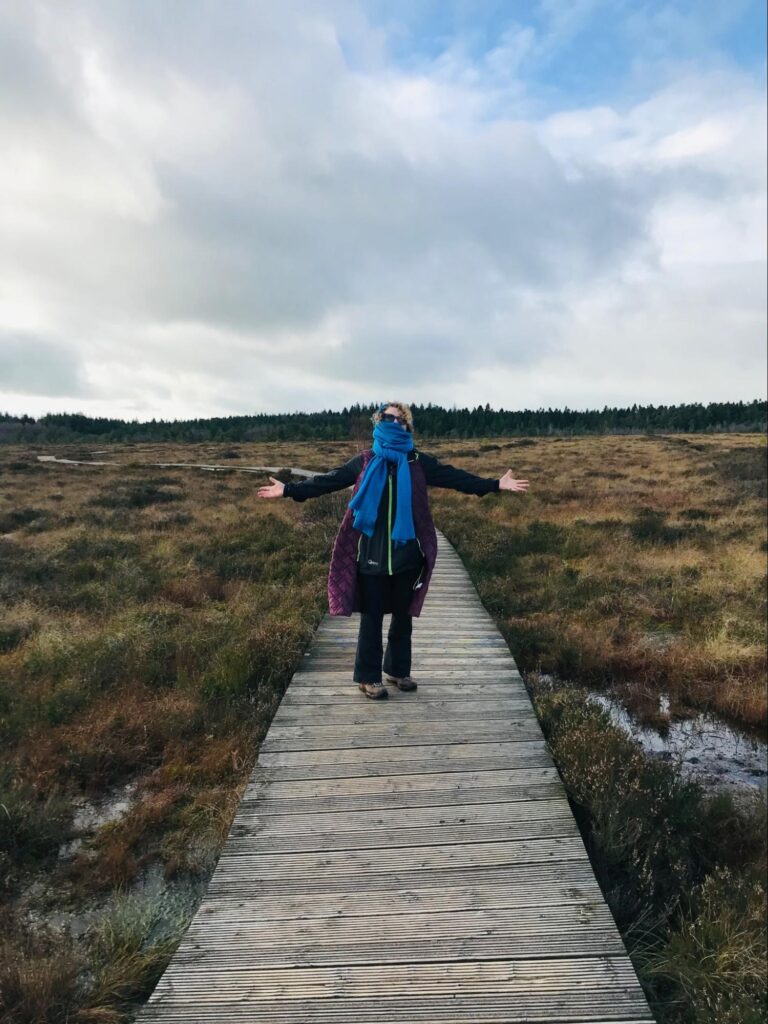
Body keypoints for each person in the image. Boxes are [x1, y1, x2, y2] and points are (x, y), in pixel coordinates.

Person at [257, 402, 529, 699]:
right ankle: (368, 677)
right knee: (371, 618)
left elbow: (455, 478)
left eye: (400, 419)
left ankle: (398, 671)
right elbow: (329, 481)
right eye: (387, 417)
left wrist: (494, 485)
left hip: (407, 555)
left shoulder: (417, 462)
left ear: (407, 426)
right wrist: (289, 490)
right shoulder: (364, 460)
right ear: (378, 421)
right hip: (371, 554)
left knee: (402, 616)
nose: (394, 421)